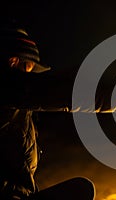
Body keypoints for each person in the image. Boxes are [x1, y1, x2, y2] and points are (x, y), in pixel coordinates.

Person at [0, 20, 95, 199]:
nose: (31, 76)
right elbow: (59, 91)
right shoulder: (6, 88)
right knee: (80, 190)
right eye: (28, 68)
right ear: (13, 62)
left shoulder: (19, 111)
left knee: (80, 188)